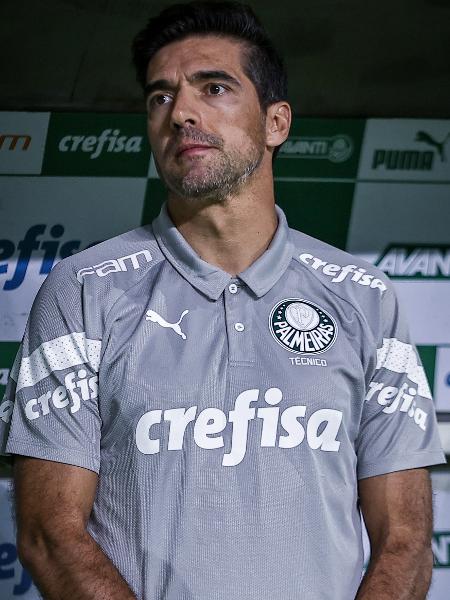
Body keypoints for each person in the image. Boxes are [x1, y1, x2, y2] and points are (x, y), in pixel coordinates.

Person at [0, 2, 446, 599]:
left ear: (276, 122)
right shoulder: (83, 290)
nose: (181, 112)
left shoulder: (363, 297)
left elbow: (406, 540)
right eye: (160, 97)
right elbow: (49, 534)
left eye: (214, 88)